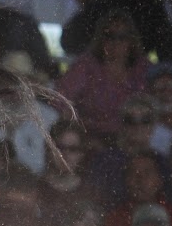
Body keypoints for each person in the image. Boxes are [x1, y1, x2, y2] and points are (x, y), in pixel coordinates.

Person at [54, 8, 149, 145]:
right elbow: (59, 100)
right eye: (109, 36)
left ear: (131, 40)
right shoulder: (85, 66)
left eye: (122, 37)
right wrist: (79, 130)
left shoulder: (143, 68)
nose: (115, 42)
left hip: (134, 142)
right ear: (100, 38)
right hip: (90, 141)